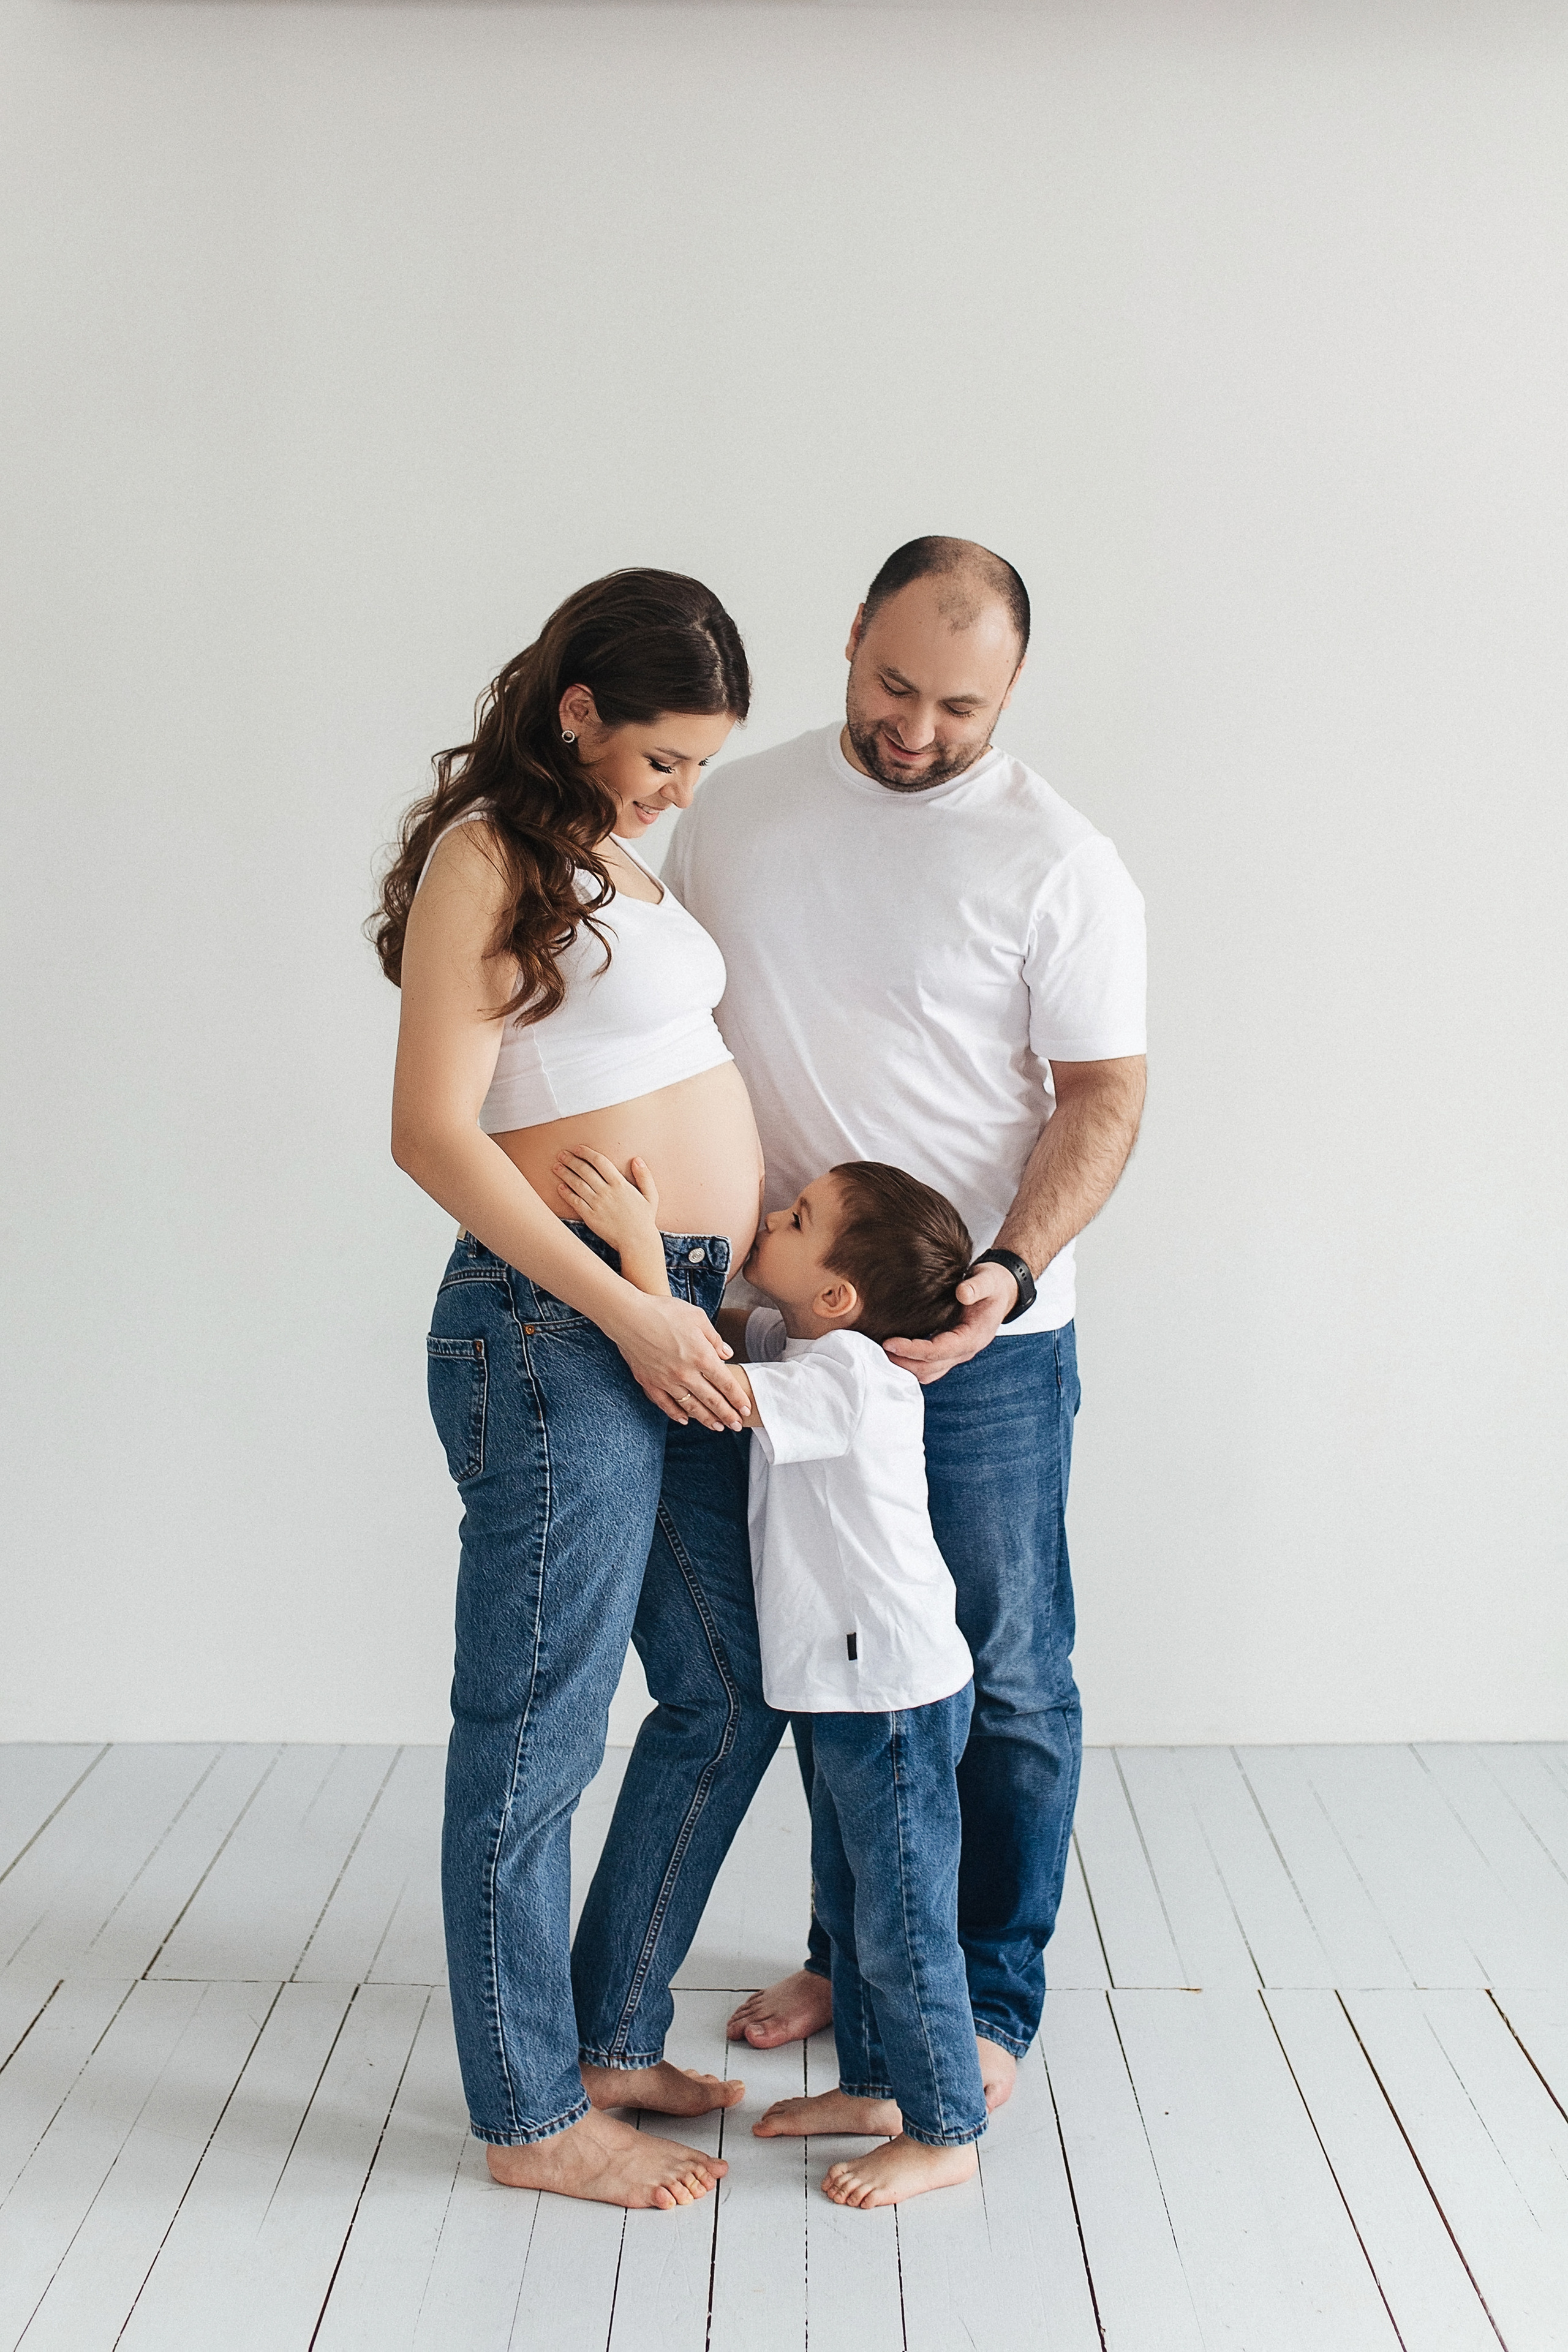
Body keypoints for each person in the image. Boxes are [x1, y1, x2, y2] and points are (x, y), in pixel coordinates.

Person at [665, 536, 1147, 2107]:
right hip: (790, 1334)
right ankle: (854, 1953)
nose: (916, 729)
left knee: (1002, 1676)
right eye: (890, 685)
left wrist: (1002, 1268)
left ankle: (986, 2002)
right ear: (851, 633)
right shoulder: (737, 809)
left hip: (987, 1344)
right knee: (840, 1656)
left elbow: (1103, 1096)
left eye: (960, 703)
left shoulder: (1060, 861)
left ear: (1011, 690)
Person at [375, 570, 787, 2212]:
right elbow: (432, 1132)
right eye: (667, 758)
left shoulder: (612, 855)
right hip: (559, 1334)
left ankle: (611, 2035)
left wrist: (695, 1296)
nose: (683, 794)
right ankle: (533, 2113)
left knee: (728, 1686)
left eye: (702, 766)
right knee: (535, 1734)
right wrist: (629, 1304)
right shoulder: (490, 852)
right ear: (579, 713)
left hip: (673, 1317)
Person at [554, 1144, 989, 2209]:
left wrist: (640, 1252)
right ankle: (879, 2084)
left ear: (837, 1296)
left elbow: (699, 1379)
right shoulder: (810, 1345)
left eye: (795, 1220)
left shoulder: (848, 1376)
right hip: (848, 1688)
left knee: (899, 1916)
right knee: (850, 1900)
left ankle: (945, 2129)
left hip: (887, 1693)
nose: (771, 1221)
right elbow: (730, 1338)